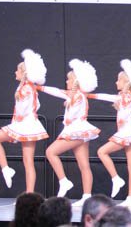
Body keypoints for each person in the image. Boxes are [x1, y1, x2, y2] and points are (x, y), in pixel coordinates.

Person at [38, 59, 100, 207]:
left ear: (76, 81)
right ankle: (86, 196)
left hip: (76, 130)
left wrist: (69, 101)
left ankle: (64, 181)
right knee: (84, 164)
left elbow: (73, 110)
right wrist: (39, 87)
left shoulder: (78, 96)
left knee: (51, 152)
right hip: (79, 131)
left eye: (69, 79)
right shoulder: (74, 95)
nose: (66, 81)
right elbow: (56, 91)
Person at [87, 59, 131, 208]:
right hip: (129, 132)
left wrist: (88, 95)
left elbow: (109, 98)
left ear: (125, 82)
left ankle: (116, 179)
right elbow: (108, 97)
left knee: (102, 152)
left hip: (127, 132)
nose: (116, 82)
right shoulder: (125, 96)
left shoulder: (126, 96)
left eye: (118, 80)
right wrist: (89, 95)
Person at [0, 49, 49, 192]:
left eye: (17, 70)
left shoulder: (25, 88)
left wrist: (19, 120)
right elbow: (37, 104)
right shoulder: (28, 87)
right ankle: (29, 194)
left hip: (25, 123)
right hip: (30, 123)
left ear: (23, 73)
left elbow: (22, 109)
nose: (15, 72)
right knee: (28, 162)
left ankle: (6, 169)